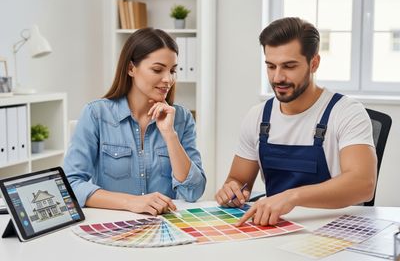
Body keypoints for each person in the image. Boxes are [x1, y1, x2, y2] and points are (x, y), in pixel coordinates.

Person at [215, 17, 377, 226]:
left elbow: (363, 184)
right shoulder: (257, 116)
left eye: (289, 66)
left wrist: (292, 197)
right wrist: (232, 189)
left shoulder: (346, 112)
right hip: (275, 228)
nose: (277, 77)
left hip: (335, 230)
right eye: (271, 66)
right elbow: (237, 179)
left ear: (314, 63)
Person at [64, 28, 206, 216]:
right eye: (157, 69)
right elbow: (70, 186)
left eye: (172, 70)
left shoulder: (181, 118)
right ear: (131, 68)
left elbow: (193, 192)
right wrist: (131, 202)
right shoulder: (96, 114)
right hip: (112, 227)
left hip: (164, 227)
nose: (168, 79)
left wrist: (170, 135)